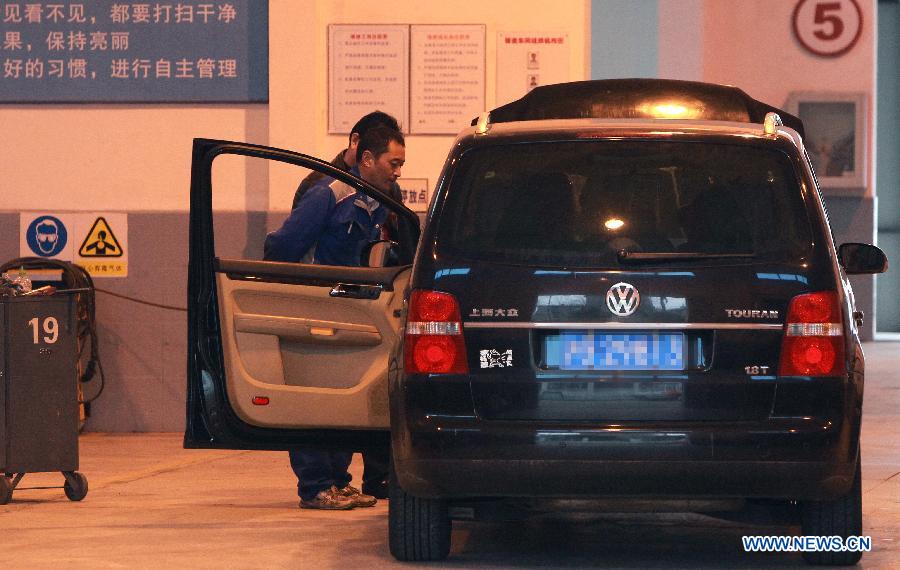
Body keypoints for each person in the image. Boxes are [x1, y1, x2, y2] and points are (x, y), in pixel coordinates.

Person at [264, 125, 406, 510]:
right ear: (367, 159)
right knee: (312, 398)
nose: (397, 172)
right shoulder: (329, 193)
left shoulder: (381, 199)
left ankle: (339, 482)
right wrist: (299, 288)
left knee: (344, 396)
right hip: (313, 307)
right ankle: (314, 486)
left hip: (349, 308)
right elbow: (281, 246)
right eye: (393, 163)